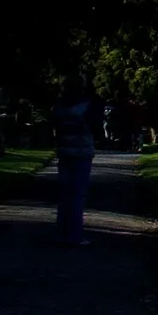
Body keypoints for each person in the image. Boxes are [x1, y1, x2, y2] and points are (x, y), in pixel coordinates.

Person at [51, 73, 101, 246]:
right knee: (78, 195)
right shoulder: (86, 106)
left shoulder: (59, 106)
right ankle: (75, 235)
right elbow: (95, 127)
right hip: (82, 152)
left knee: (64, 195)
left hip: (64, 151)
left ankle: (61, 233)